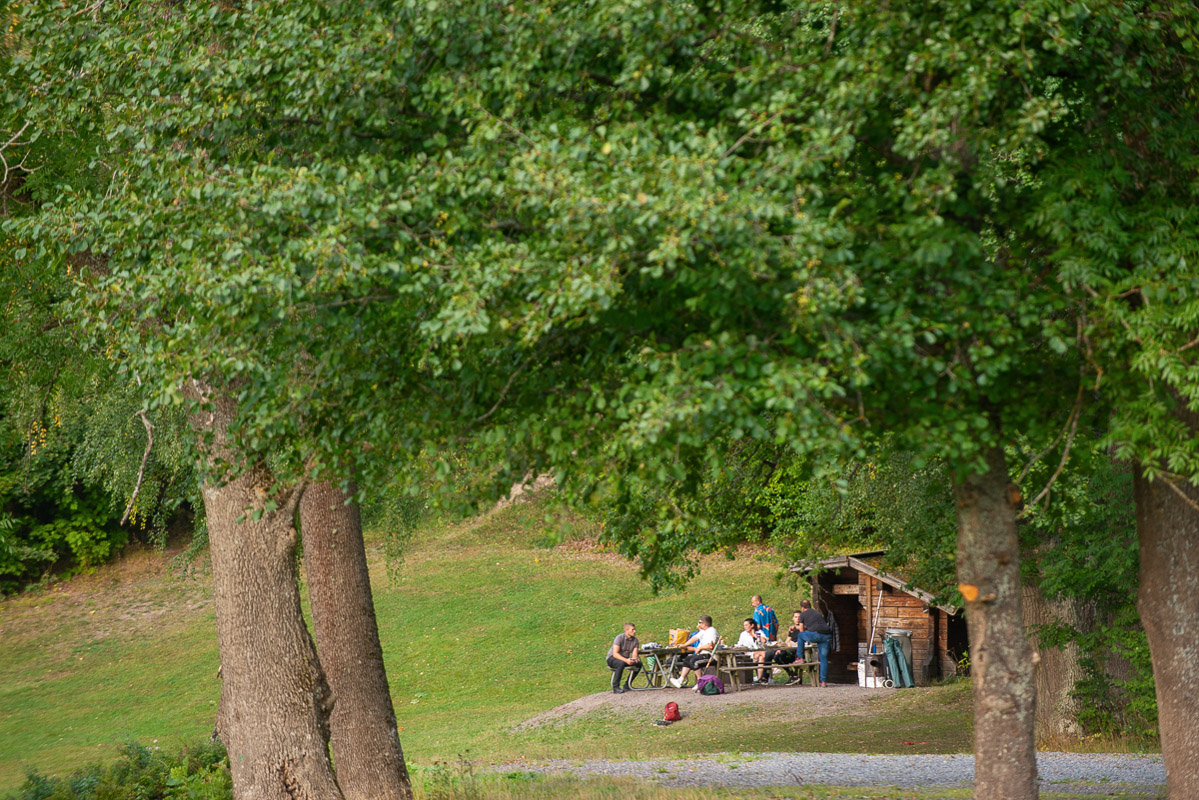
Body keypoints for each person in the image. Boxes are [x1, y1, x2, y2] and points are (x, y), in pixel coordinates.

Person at [671, 615, 719, 688]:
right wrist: (684, 645)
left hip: (710, 655)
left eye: (700, 622)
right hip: (703, 654)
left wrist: (699, 648)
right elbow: (695, 638)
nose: (698, 624)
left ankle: (700, 682)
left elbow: (710, 646)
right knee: (688, 659)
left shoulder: (711, 632)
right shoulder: (703, 631)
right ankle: (680, 680)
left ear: (704, 624)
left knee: (694, 661)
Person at [797, 599, 833, 687]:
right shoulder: (817, 613)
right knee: (823, 658)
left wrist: (797, 627)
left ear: (802, 608)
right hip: (827, 636)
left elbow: (801, 630)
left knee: (800, 635)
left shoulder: (803, 614)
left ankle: (800, 658)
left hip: (817, 635)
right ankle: (823, 682)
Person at [607, 622, 641, 694]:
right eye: (632, 630)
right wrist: (626, 660)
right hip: (612, 658)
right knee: (621, 663)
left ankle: (627, 684)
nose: (635, 631)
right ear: (626, 630)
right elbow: (615, 654)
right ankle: (615, 687)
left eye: (634, 629)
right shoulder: (619, 638)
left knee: (638, 664)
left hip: (625, 659)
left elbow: (635, 653)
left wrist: (634, 659)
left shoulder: (635, 641)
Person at [735, 618, 771, 683]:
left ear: (752, 625)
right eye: (744, 625)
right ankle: (769, 671)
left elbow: (764, 641)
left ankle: (759, 678)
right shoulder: (743, 634)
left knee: (761, 657)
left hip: (758, 654)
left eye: (746, 625)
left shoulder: (759, 632)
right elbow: (739, 644)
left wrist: (755, 636)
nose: (745, 627)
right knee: (763, 655)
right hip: (749, 654)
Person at [772, 610, 803, 685]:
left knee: (782, 656)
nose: (797, 619)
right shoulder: (792, 629)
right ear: (793, 618)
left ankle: (794, 676)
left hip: (798, 651)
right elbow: (787, 641)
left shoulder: (803, 628)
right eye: (796, 617)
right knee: (776, 656)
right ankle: (792, 675)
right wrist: (781, 648)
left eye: (799, 617)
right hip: (790, 649)